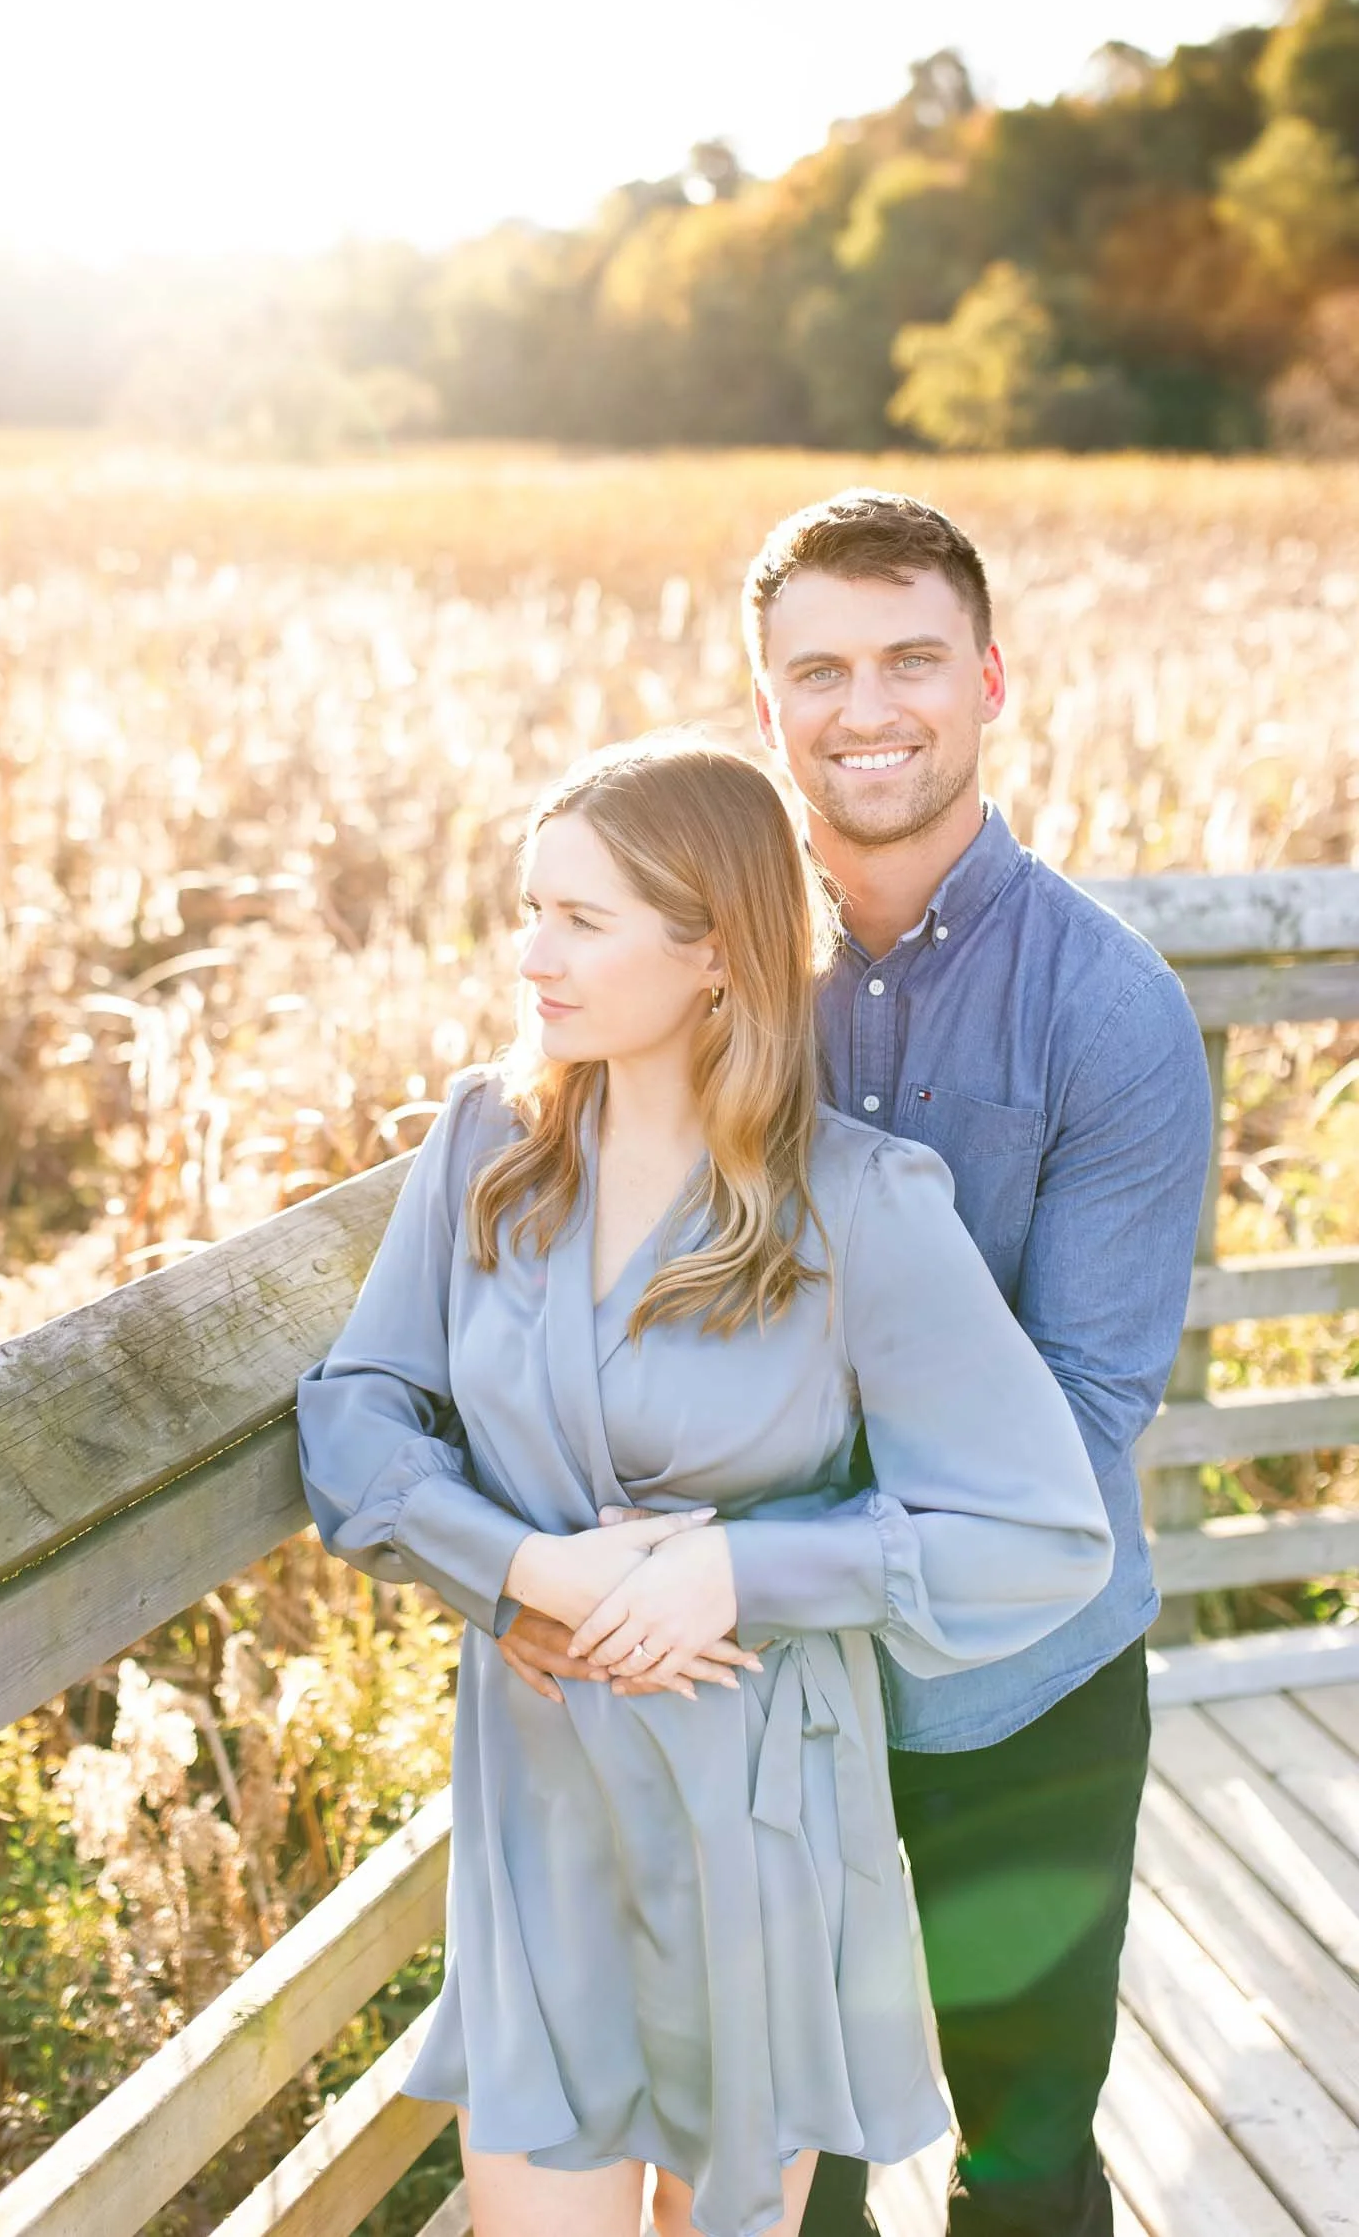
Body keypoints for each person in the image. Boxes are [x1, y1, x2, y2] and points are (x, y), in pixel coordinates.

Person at [496, 495, 1214, 2237]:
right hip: (744, 1703)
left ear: (987, 681)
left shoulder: (1106, 1013)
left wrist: (750, 1559)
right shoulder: (696, 977)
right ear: (766, 709)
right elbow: (555, 1259)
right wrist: (533, 1554)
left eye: (909, 658)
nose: (866, 705)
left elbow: (1085, 1421)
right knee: (776, 2165)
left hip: (1012, 1689)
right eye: (817, 668)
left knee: (1021, 2156)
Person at [298, 731, 1115, 2237]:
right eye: (528, 908)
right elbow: (353, 1413)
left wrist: (740, 1570)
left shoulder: (860, 1207)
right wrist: (514, 1571)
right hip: (539, 1806)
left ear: (716, 953)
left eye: (580, 920)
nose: (529, 955)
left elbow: (1041, 1532)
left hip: (757, 1812)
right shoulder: (487, 1143)